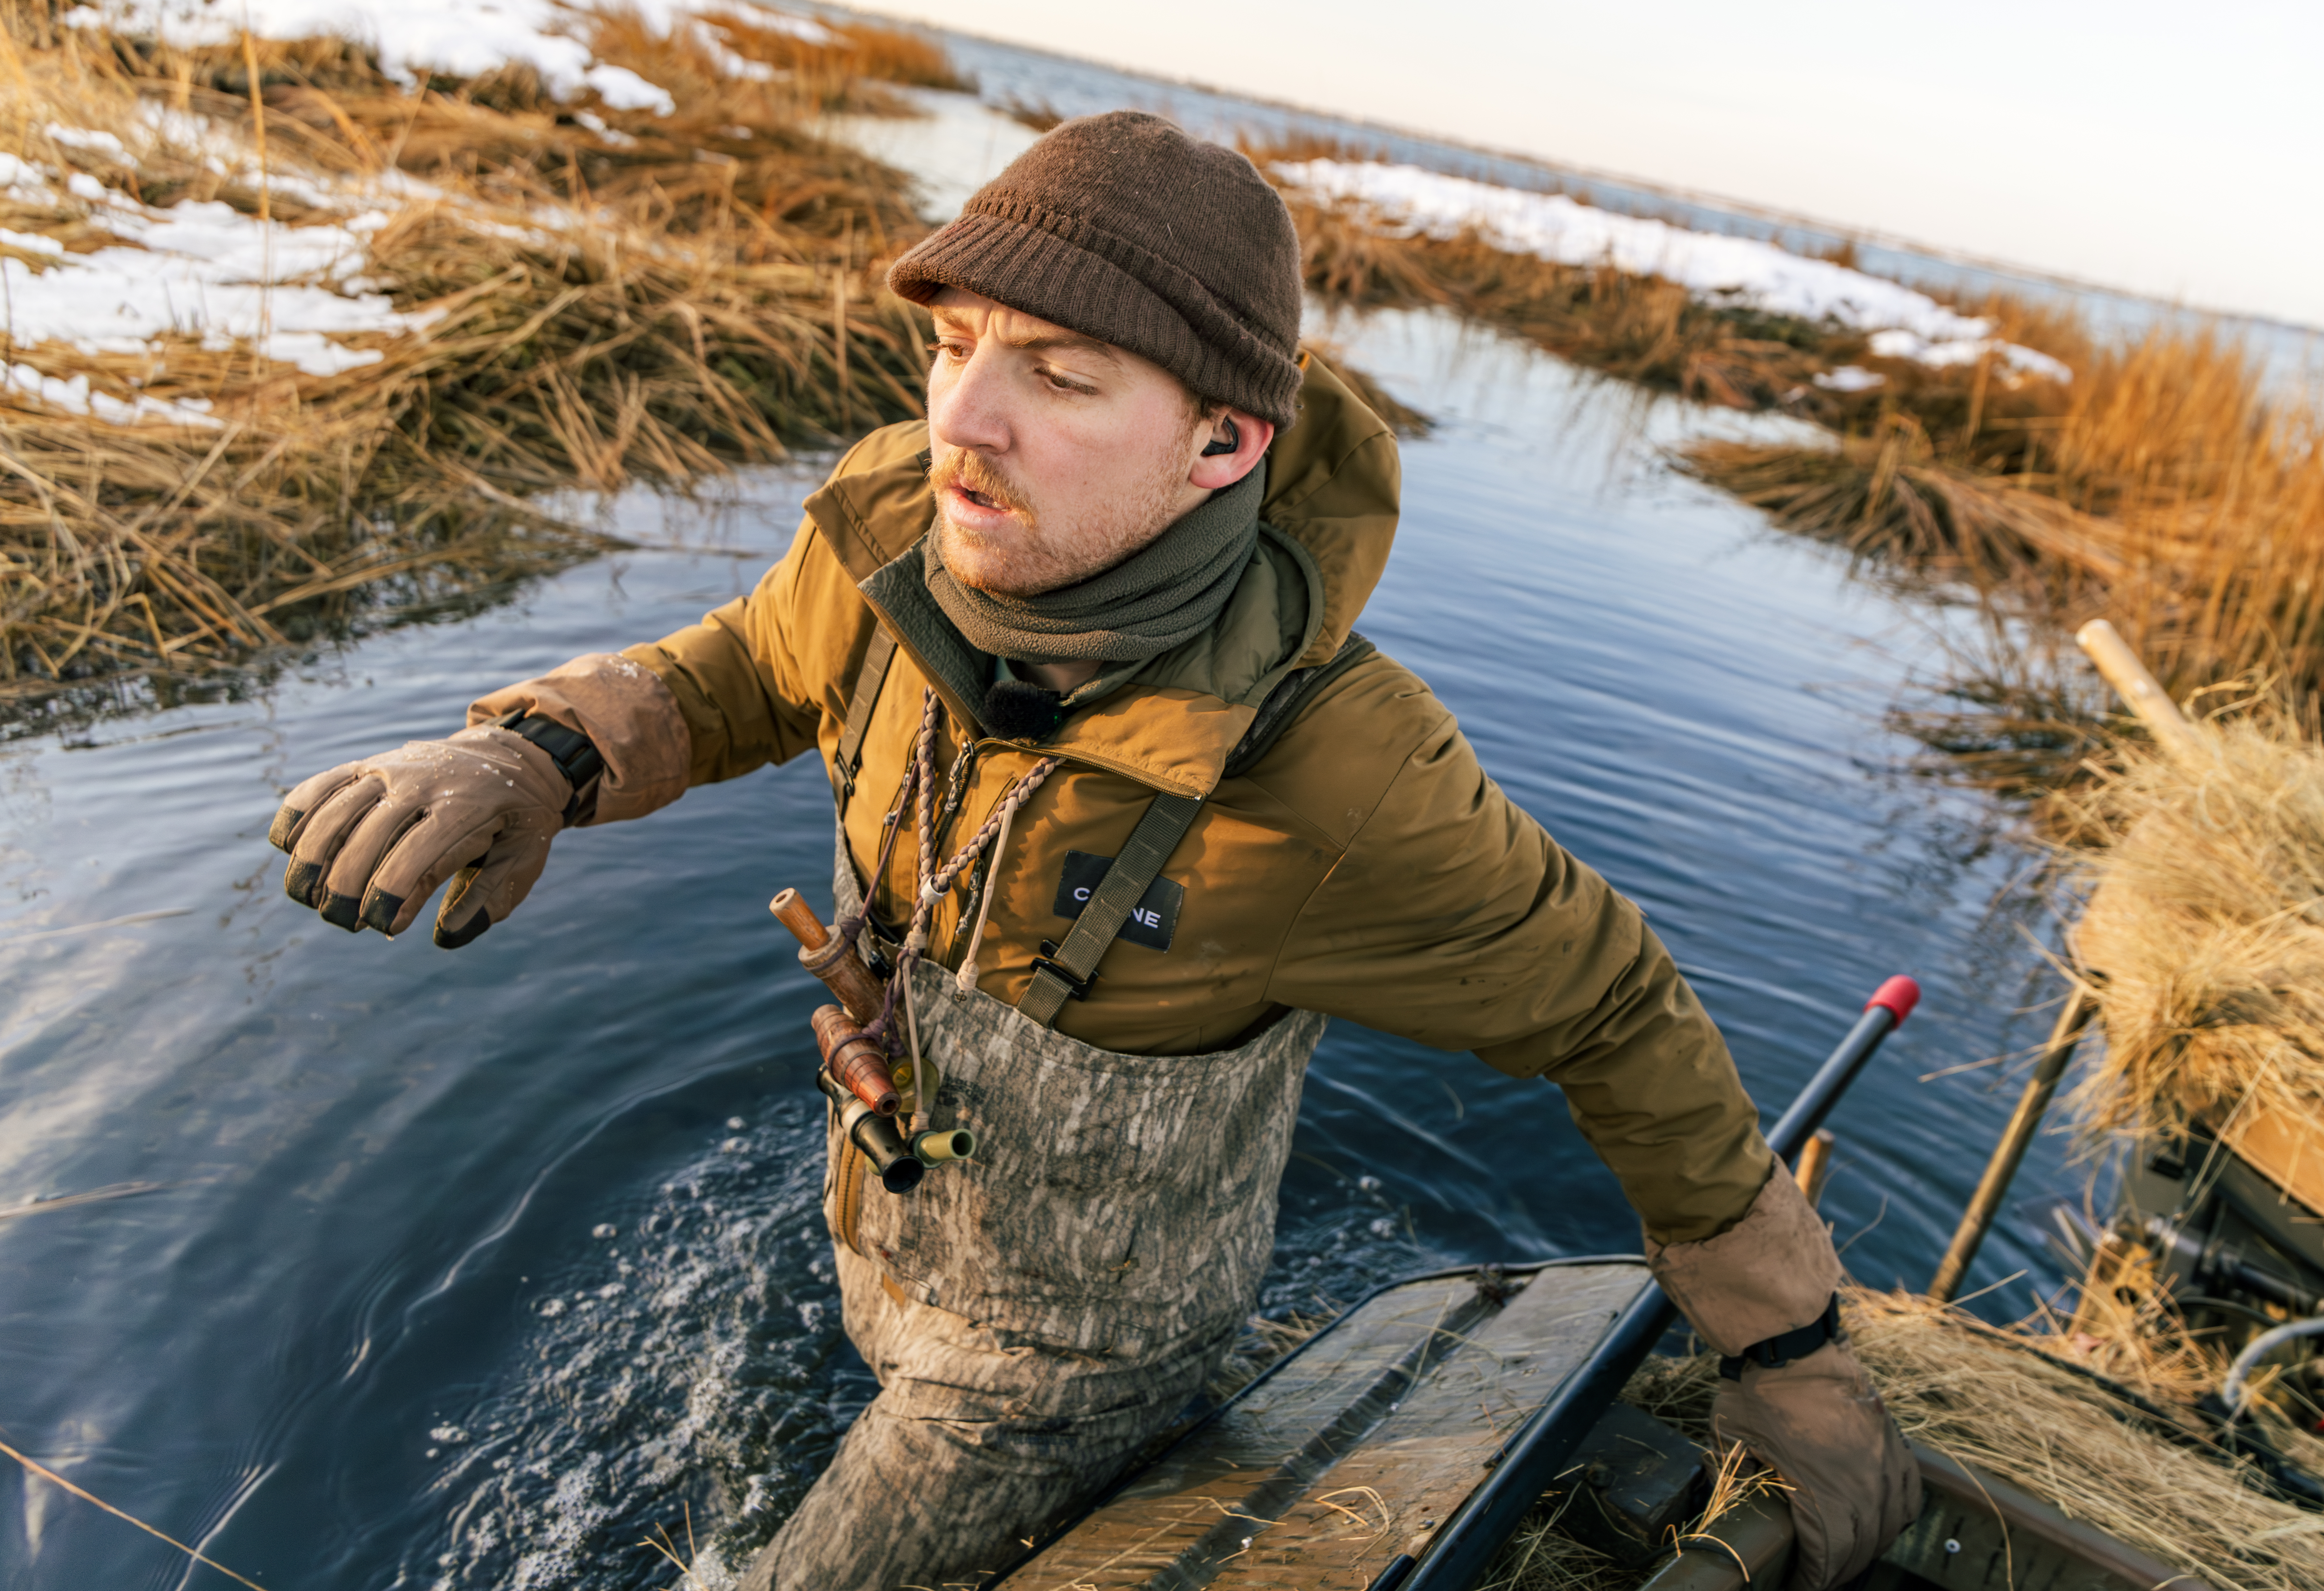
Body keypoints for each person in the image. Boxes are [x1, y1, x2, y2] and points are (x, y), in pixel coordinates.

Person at [266, 112, 1920, 1591]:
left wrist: (1792, 1359)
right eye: (954, 345)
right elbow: (752, 667)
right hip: (881, 1235)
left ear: (1224, 443)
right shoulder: (890, 530)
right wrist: (540, 751)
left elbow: (1613, 1009)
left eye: (1060, 378)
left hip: (1076, 1374)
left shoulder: (1347, 775)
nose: (962, 421)